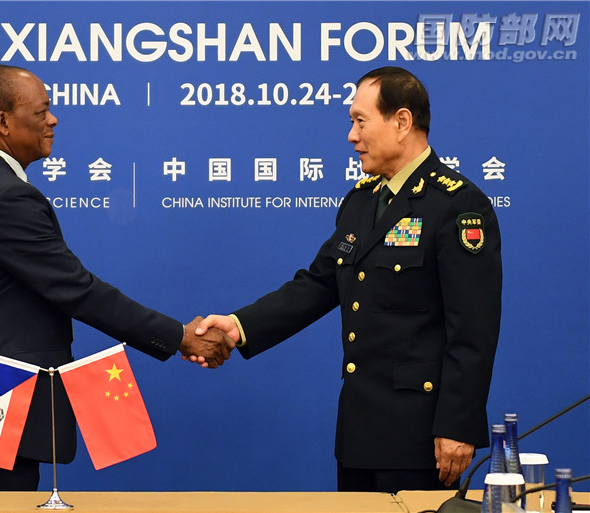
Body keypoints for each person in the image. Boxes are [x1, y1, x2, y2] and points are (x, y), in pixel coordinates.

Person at [0, 64, 234, 491]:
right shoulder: (3, 195)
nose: (53, 119)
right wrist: (180, 336)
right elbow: (78, 290)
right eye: (41, 111)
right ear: (3, 122)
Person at [195, 66, 502, 493]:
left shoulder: (457, 206)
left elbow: (473, 330)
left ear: (401, 122)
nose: (351, 136)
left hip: (423, 437)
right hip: (359, 434)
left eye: (360, 121)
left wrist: (457, 426)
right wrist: (239, 326)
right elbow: (319, 284)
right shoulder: (362, 201)